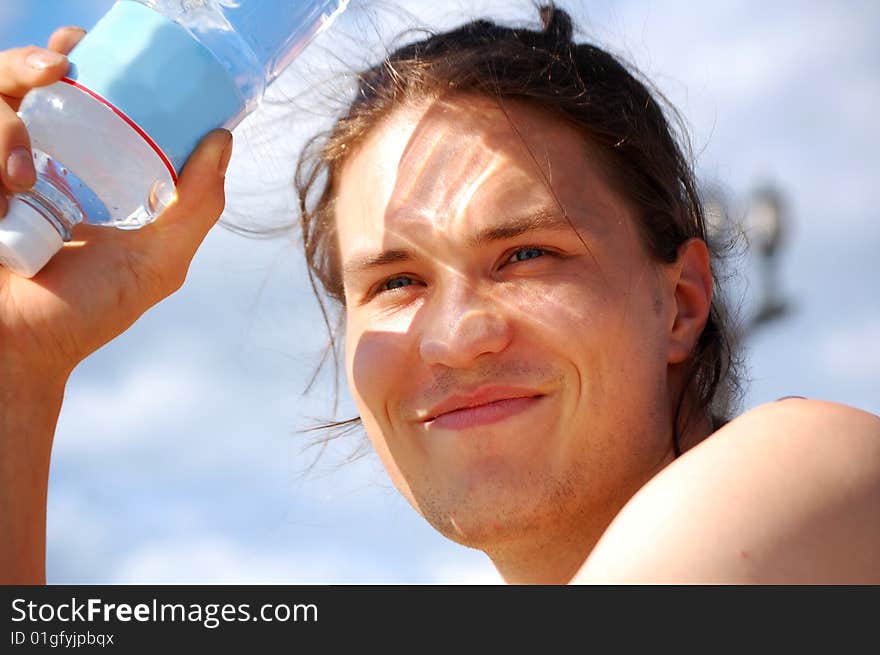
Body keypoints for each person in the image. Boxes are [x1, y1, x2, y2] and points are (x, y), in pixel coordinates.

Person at [1, 7, 878, 585]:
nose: (457, 338)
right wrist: (18, 362)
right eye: (395, 281)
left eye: (527, 253)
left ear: (683, 300)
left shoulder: (811, 471)